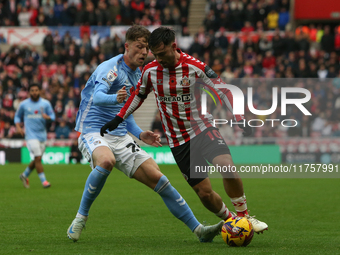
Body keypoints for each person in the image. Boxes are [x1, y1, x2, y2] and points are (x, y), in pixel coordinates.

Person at [101, 27, 268, 233]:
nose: (159, 59)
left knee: (227, 167)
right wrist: (118, 118)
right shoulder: (150, 71)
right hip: (178, 140)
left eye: (163, 54)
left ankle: (244, 217)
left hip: (203, 128)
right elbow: (138, 95)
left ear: (174, 46)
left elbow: (223, 89)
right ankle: (231, 220)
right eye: (156, 55)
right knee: (204, 194)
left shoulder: (196, 67)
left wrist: (239, 117)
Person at [67, 25, 224, 243]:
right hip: (93, 131)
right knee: (106, 161)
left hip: (120, 135)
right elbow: (98, 97)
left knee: (159, 178)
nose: (143, 52)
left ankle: (198, 230)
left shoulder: (139, 74)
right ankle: (80, 218)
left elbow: (127, 114)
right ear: (127, 46)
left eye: (146, 49)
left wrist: (140, 135)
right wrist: (117, 99)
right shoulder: (110, 68)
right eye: (139, 47)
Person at [15, 84, 55, 188]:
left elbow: (53, 116)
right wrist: (19, 127)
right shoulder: (24, 104)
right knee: (37, 157)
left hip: (42, 136)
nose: (34, 92)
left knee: (37, 159)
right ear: (29, 92)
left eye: (36, 90)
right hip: (30, 136)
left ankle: (24, 175)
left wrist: (48, 118)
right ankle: (44, 182)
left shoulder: (45, 104)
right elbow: (17, 117)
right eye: (32, 90)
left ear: (40, 91)